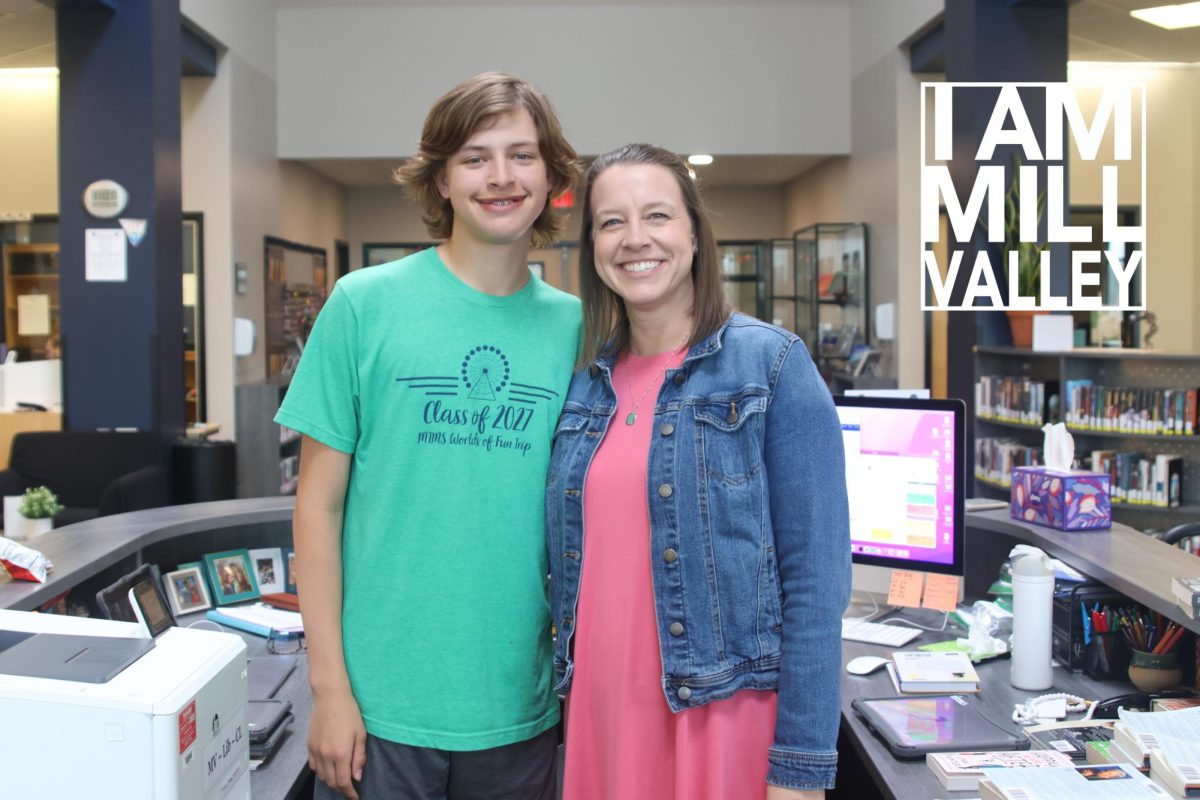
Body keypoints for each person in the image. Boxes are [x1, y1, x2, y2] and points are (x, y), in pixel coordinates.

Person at [276, 73, 580, 800]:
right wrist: (330, 691)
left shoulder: (578, 328)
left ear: (550, 177)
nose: (501, 177)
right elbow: (317, 509)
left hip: (520, 712)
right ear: (441, 178)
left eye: (522, 155)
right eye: (476, 157)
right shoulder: (364, 305)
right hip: (378, 714)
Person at [546, 144, 852, 799]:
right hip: (599, 718)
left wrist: (800, 766)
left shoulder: (771, 367)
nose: (635, 240)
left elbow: (816, 589)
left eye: (656, 215)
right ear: (593, 246)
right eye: (610, 222)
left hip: (721, 718)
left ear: (693, 231)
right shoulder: (581, 387)